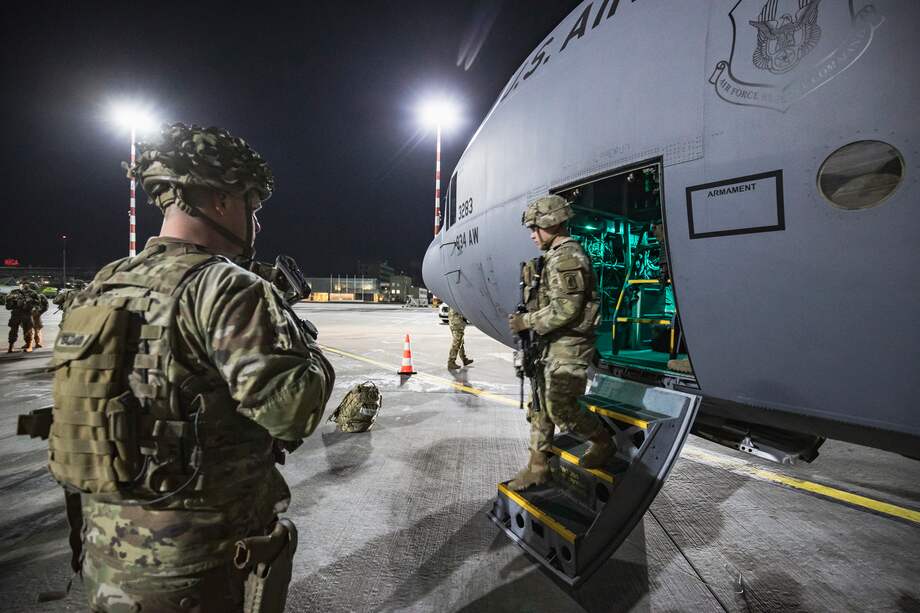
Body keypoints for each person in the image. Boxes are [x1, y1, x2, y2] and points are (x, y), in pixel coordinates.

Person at [49, 123, 336, 612]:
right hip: (195, 564)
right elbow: (292, 414)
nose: (256, 223)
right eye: (251, 204)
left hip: (106, 554)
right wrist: (309, 351)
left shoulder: (106, 282)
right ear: (221, 200)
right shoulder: (227, 286)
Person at [507, 195, 614, 491]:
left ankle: (603, 441)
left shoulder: (567, 257)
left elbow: (567, 309)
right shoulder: (553, 257)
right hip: (550, 342)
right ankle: (538, 467)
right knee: (540, 404)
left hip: (570, 343)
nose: (531, 235)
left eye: (534, 228)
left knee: (559, 407)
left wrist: (526, 322)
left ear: (549, 224)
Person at [5, 279, 39, 352]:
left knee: (27, 330)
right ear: (20, 284)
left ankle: (28, 346)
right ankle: (10, 347)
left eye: (26, 283)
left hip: (27, 313)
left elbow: (38, 303)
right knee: (13, 330)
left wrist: (32, 305)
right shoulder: (14, 292)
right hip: (16, 314)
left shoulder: (33, 293)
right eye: (23, 283)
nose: (24, 285)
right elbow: (7, 302)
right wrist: (12, 300)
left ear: (29, 284)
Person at [446, 306, 473, 370]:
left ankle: (464, 359)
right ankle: (451, 362)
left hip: (456, 323)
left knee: (460, 342)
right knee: (456, 342)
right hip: (456, 324)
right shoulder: (456, 302)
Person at [29, 282, 49, 348]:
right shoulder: (40, 295)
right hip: (32, 315)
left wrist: (40, 312)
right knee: (35, 330)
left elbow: (46, 305)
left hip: (33, 315)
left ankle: (32, 343)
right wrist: (40, 312)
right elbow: (46, 305)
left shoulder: (39, 295)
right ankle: (35, 343)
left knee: (31, 330)